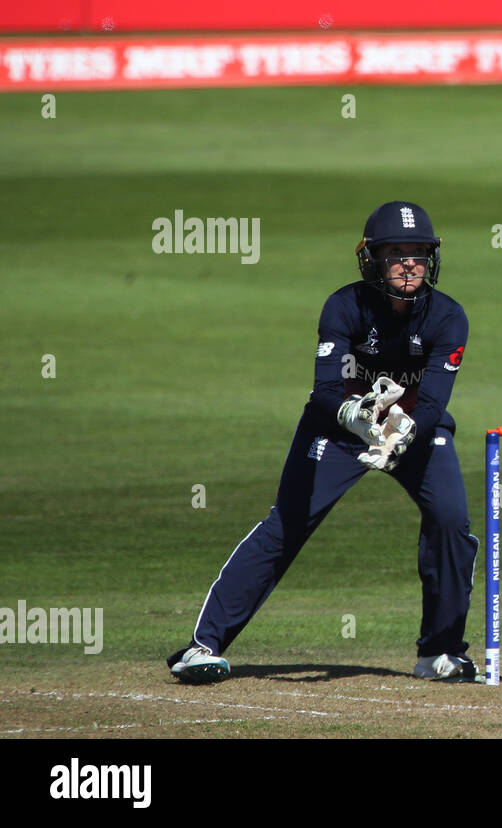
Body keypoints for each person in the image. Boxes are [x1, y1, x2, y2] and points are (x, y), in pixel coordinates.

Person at [167, 201, 479, 684]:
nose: (409, 263)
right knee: (288, 523)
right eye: (396, 252)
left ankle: (439, 652)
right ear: (372, 258)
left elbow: (435, 403)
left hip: (410, 430)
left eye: (418, 253)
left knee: (451, 521)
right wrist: (357, 419)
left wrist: (403, 430)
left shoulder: (448, 318)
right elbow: (327, 390)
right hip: (336, 430)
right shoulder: (344, 306)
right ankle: (202, 646)